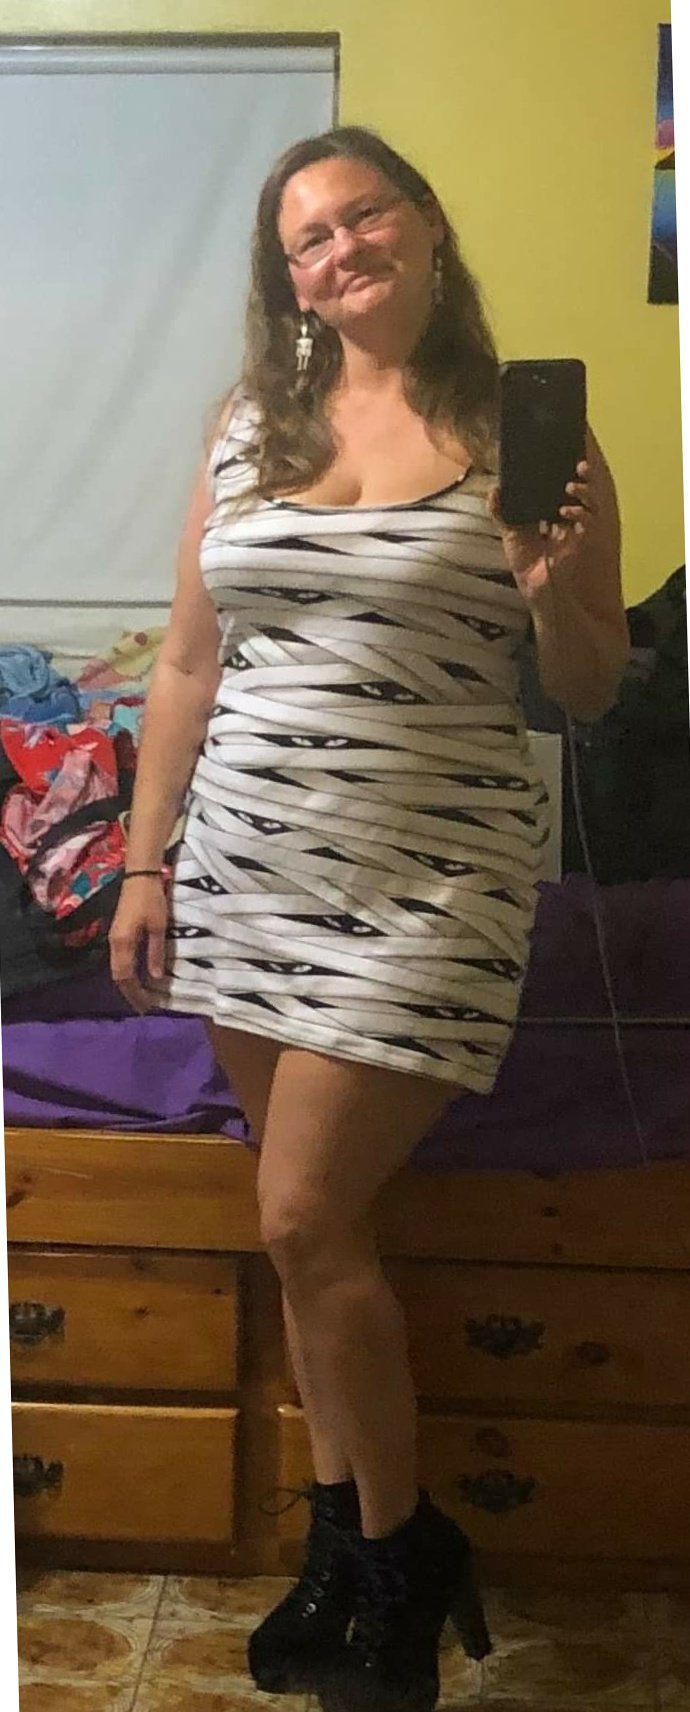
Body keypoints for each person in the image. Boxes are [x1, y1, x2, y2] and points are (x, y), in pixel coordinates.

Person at [109, 125, 629, 1712]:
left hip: (427, 883)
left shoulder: (521, 433)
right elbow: (188, 661)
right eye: (306, 241)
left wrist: (545, 586)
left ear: (423, 225)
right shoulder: (247, 427)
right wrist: (142, 863)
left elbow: (588, 689)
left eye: (361, 217)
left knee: (294, 1218)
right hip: (245, 869)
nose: (338, 252)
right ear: (290, 282)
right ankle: (344, 1553)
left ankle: (400, 1560)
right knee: (311, 1232)